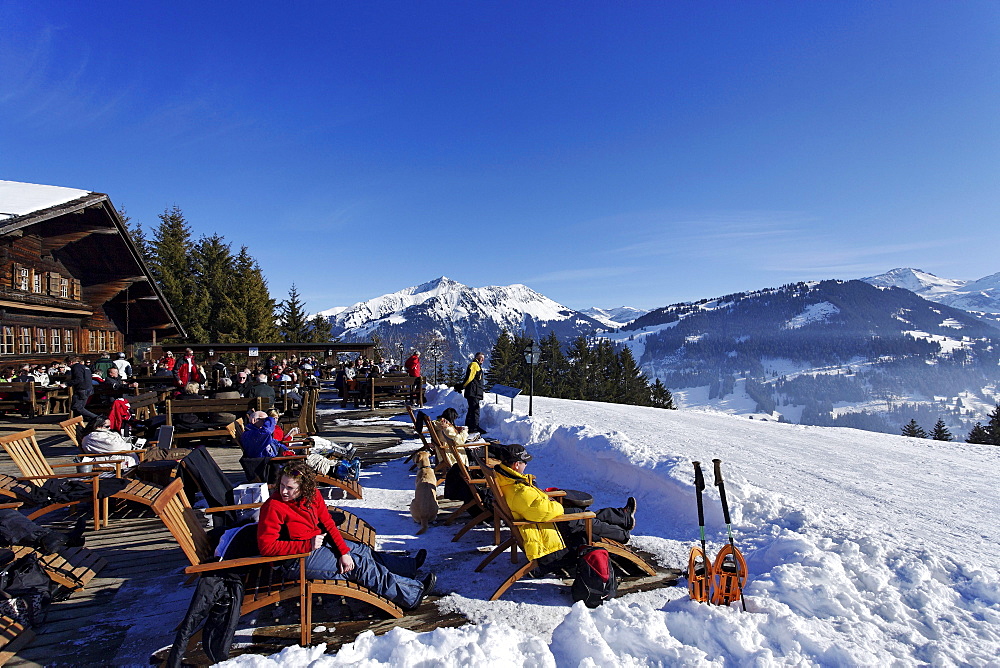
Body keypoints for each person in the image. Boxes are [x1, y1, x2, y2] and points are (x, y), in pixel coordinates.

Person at [256, 462, 435, 611]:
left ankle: (407, 567)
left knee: (363, 551)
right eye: (282, 485)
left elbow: (327, 522)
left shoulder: (312, 496)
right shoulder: (274, 507)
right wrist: (305, 545)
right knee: (358, 566)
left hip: (318, 544)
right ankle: (412, 594)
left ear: (304, 487)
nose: (284, 491)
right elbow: (266, 547)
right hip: (295, 560)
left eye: (290, 488)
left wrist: (343, 551)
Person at [493, 444, 637, 574]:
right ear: (516, 465)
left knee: (580, 515)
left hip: (540, 525)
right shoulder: (519, 491)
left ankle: (622, 518)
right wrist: (555, 503)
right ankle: (622, 534)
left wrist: (546, 499)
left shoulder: (506, 479)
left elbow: (536, 506)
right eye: (525, 462)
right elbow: (545, 511)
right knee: (581, 518)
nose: (526, 465)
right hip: (545, 537)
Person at [460, 352, 486, 435]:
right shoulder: (474, 364)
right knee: (475, 410)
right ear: (479, 358)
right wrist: (463, 386)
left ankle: (469, 426)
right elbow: (469, 377)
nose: (483, 360)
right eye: (482, 358)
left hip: (474, 391)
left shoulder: (476, 365)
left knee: (471, 409)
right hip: (473, 392)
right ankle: (474, 428)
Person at [65, 355, 99, 420]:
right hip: (88, 388)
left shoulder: (76, 368)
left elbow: (78, 379)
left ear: (70, 362)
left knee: (76, 407)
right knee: (79, 408)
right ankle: (79, 422)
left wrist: (66, 384)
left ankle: (96, 417)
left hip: (81, 389)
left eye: (67, 363)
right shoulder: (84, 367)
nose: (68, 365)